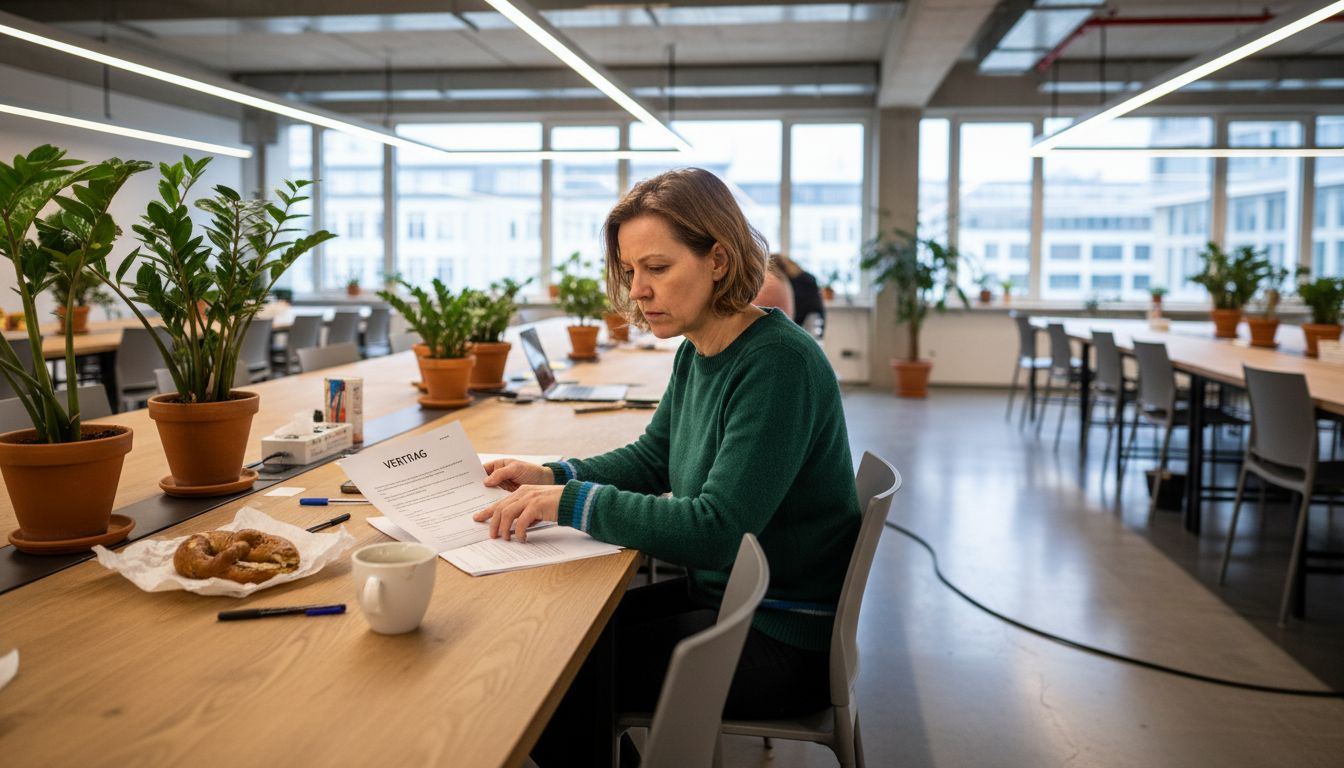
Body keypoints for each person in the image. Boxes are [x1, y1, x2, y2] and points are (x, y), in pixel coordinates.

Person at [473, 167, 860, 765]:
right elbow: (655, 458)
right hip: (731, 600)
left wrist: (570, 505)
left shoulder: (777, 364)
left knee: (549, 678)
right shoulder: (699, 349)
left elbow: (716, 529)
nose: (638, 291)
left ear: (719, 261)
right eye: (630, 272)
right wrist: (552, 476)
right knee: (562, 641)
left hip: (780, 635)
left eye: (656, 269)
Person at [774, 252, 827, 333]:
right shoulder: (805, 277)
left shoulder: (796, 283)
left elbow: (796, 310)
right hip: (816, 321)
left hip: (808, 323)